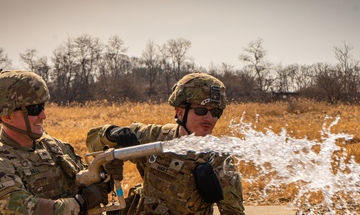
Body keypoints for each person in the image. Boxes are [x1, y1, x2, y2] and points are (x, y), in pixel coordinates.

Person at [86, 72, 245, 215]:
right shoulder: (155, 137)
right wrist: (112, 133)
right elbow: (93, 141)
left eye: (216, 112)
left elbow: (233, 212)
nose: (209, 119)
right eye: (201, 110)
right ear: (180, 112)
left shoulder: (219, 160)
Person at [0, 70, 110, 215]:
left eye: (43, 106)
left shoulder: (53, 146)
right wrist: (81, 203)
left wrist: (103, 173)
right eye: (34, 109)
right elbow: (20, 207)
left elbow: (82, 177)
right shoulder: (3, 160)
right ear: (7, 116)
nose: (43, 115)